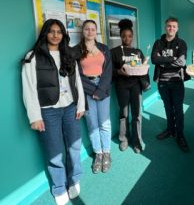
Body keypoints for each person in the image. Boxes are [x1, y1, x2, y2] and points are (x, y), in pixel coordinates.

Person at [21, 19, 85, 205]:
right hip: (48, 111)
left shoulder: (69, 54)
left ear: (63, 34)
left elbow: (77, 82)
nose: (55, 35)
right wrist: (35, 116)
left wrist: (80, 105)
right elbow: (29, 88)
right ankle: (58, 187)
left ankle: (74, 179)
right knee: (54, 151)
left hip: (70, 107)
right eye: (51, 31)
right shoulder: (33, 56)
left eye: (59, 32)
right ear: (45, 34)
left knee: (74, 146)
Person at [73, 20, 112, 174]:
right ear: (83, 31)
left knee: (105, 123)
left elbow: (108, 71)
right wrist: (92, 91)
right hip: (86, 90)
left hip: (103, 89)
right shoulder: (77, 50)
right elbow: (76, 75)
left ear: (96, 31)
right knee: (92, 124)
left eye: (93, 29)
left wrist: (100, 90)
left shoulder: (104, 48)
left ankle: (107, 152)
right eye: (87, 29)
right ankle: (98, 154)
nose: (90, 32)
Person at [110, 19, 151, 154]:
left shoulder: (138, 52)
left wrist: (145, 64)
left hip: (135, 86)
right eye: (124, 36)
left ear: (132, 37)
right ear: (120, 36)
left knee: (137, 114)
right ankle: (124, 139)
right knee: (124, 113)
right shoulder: (114, 52)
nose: (127, 38)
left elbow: (143, 68)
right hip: (121, 86)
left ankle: (137, 140)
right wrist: (118, 72)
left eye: (129, 36)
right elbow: (109, 70)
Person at [151, 17, 189, 152]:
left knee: (178, 109)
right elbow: (154, 59)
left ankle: (180, 135)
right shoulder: (158, 43)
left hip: (177, 81)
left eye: (173, 26)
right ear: (165, 27)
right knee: (167, 107)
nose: (171, 28)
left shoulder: (181, 43)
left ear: (177, 28)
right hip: (162, 81)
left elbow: (182, 62)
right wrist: (172, 58)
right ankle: (170, 130)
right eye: (169, 26)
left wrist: (163, 61)